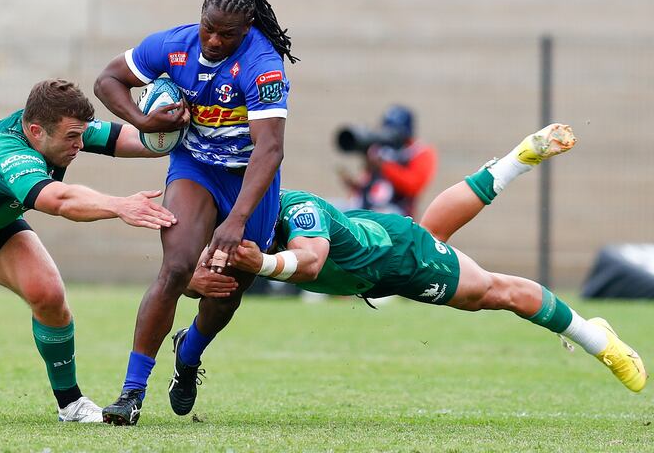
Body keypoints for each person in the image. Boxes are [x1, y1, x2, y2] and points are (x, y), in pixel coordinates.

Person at [188, 124, 647, 402]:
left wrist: (262, 263)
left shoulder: (297, 208)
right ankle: (513, 162)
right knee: (433, 233)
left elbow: (309, 263)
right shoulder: (231, 218)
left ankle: (597, 339)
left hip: (396, 261)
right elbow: (189, 276)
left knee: (493, 292)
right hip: (379, 244)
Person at [0, 79, 177, 423]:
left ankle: (70, 404)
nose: (80, 144)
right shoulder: (13, 151)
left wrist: (170, 134)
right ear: (36, 131)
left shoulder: (60, 124)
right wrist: (119, 205)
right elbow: (57, 200)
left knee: (48, 293)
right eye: (72, 138)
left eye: (82, 135)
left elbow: (127, 139)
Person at [94, 0, 298, 426]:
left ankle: (188, 355)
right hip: (196, 169)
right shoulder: (173, 46)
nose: (213, 39)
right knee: (176, 268)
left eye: (227, 33)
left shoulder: (264, 66)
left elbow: (270, 149)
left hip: (248, 180)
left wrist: (237, 219)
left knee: (229, 291)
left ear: (248, 27)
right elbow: (107, 79)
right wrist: (143, 120)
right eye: (209, 26)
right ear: (201, 14)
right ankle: (131, 392)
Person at [338, 105, 436, 217]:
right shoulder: (380, 148)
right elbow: (372, 186)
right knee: (323, 213)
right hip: (366, 208)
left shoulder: (419, 151)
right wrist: (356, 186)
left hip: (397, 213)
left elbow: (413, 185)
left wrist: (384, 167)